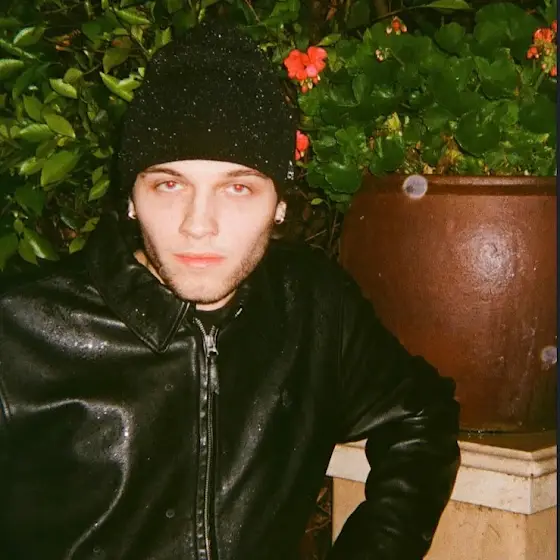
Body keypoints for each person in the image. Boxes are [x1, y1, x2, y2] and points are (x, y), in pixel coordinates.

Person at [0, 21, 460, 560]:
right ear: (131, 199)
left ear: (279, 204)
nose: (199, 224)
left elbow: (420, 416)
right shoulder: (20, 334)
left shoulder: (313, 307)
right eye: (169, 184)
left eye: (237, 187)